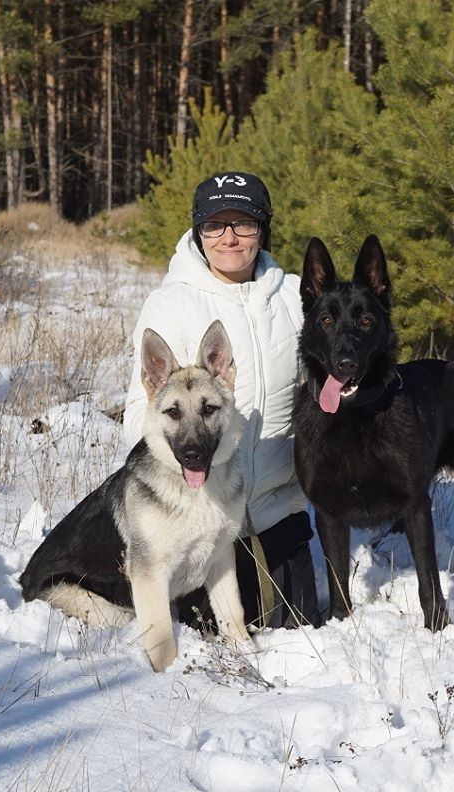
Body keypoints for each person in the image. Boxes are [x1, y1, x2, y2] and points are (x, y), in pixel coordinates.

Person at [123, 171, 320, 629]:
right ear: (199, 232)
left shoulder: (294, 298)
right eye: (215, 225)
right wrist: (187, 458)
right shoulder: (170, 304)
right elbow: (139, 415)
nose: (229, 238)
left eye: (243, 223)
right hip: (198, 526)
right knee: (210, 650)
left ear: (263, 229)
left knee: (301, 639)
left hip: (278, 516)